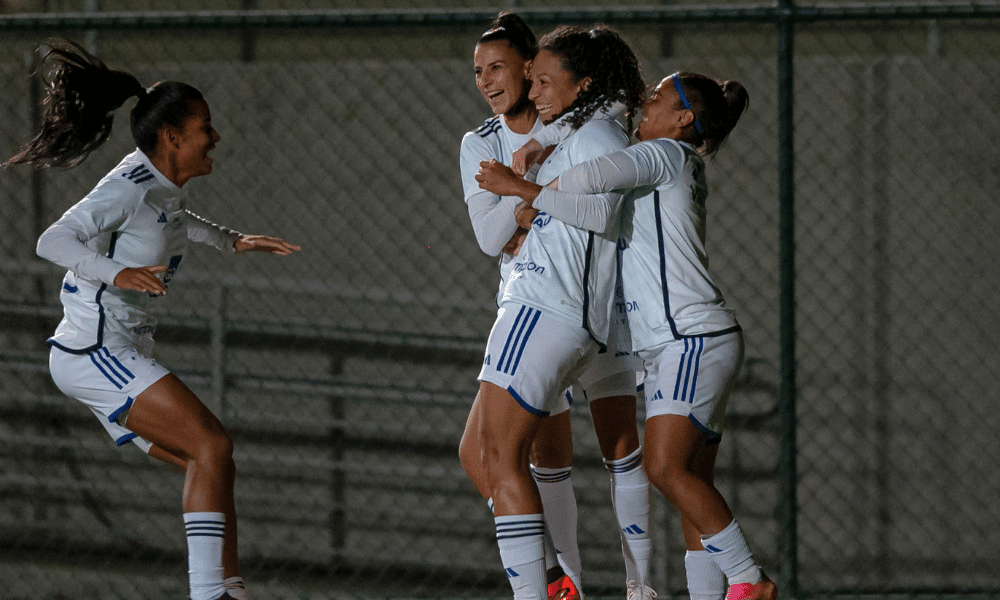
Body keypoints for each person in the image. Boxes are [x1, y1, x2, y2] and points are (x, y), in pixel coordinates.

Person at [4, 40, 300, 600]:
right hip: (92, 352)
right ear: (172, 137)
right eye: (205, 127)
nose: (215, 137)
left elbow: (173, 219)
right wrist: (115, 274)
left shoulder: (157, 186)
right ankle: (210, 593)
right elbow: (53, 239)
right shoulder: (125, 188)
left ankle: (226, 587)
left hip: (118, 349)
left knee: (211, 459)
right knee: (211, 445)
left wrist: (232, 240)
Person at [476, 71, 777, 600]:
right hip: (686, 342)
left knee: (662, 466)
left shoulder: (665, 155)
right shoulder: (674, 161)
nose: (645, 104)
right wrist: (548, 142)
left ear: (684, 119)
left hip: (690, 338)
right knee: (691, 487)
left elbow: (591, 175)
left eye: (657, 98)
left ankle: (751, 581)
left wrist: (522, 183)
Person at [458, 14, 654, 600]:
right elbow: (490, 237)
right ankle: (558, 578)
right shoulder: (539, 133)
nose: (490, 81)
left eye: (506, 69)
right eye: (478, 72)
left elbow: (599, 209)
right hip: (556, 306)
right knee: (492, 455)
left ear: (530, 66)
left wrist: (525, 198)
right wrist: (528, 201)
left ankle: (596, 585)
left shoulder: (585, 133)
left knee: (507, 455)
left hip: (548, 306)